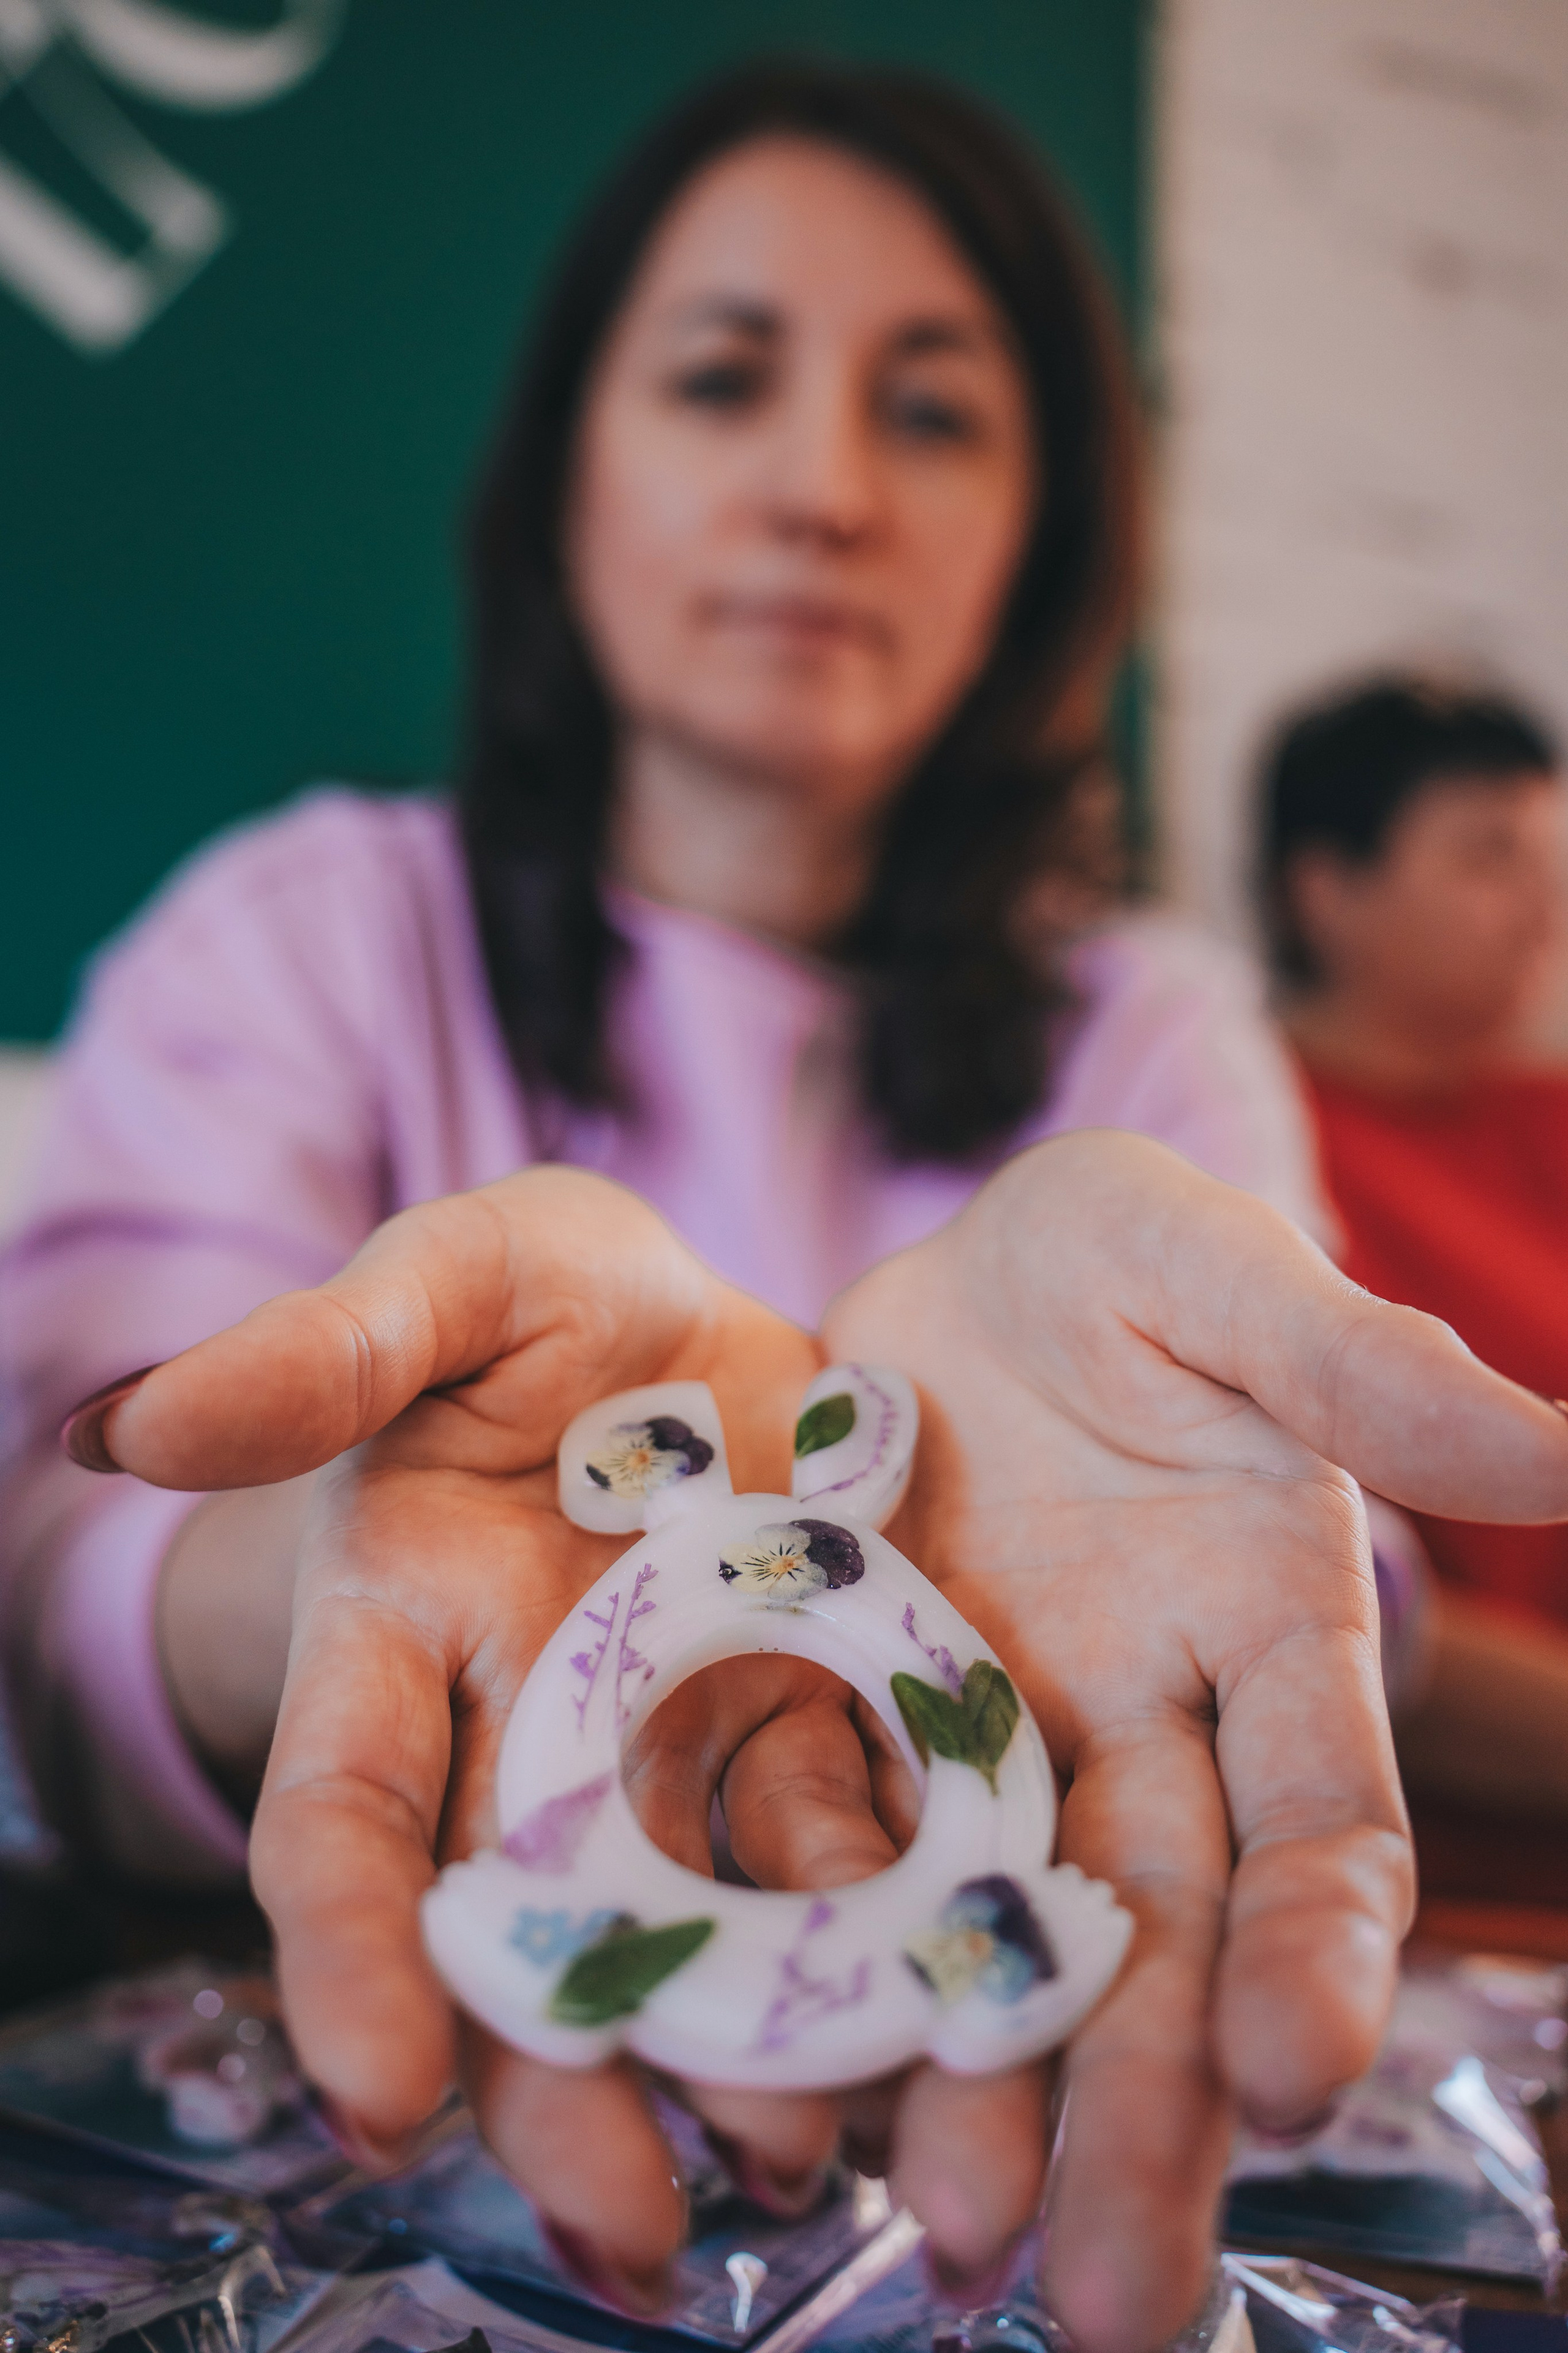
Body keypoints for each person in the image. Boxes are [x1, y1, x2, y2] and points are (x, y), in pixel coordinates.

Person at [3, 62, 1553, 2353]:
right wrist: (328, 1564)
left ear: (1043, 528)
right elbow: (56, 1539)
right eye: (725, 377)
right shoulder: (303, 933)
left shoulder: (1158, 1027)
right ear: (566, 482)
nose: (823, 489)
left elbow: (1305, 1575)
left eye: (933, 415)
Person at [1262, 675, 1568, 1815]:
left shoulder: (1547, 1116)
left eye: (1548, 858)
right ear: (1328, 890)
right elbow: (1336, 1588)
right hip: (1461, 1783)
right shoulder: (1257, 1151)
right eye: (1491, 857)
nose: (1544, 906)